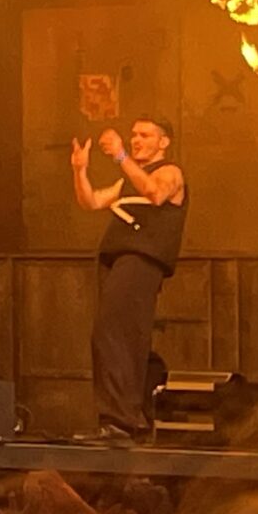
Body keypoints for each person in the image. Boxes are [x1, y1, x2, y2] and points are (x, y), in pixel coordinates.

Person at [71, 116, 188, 442]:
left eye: (145, 135)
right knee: (122, 335)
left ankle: (119, 421)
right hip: (118, 261)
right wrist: (80, 170)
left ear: (163, 142)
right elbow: (91, 200)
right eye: (133, 135)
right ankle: (139, 413)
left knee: (113, 334)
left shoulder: (170, 172)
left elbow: (155, 193)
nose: (136, 140)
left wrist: (120, 155)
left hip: (140, 261)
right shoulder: (128, 182)